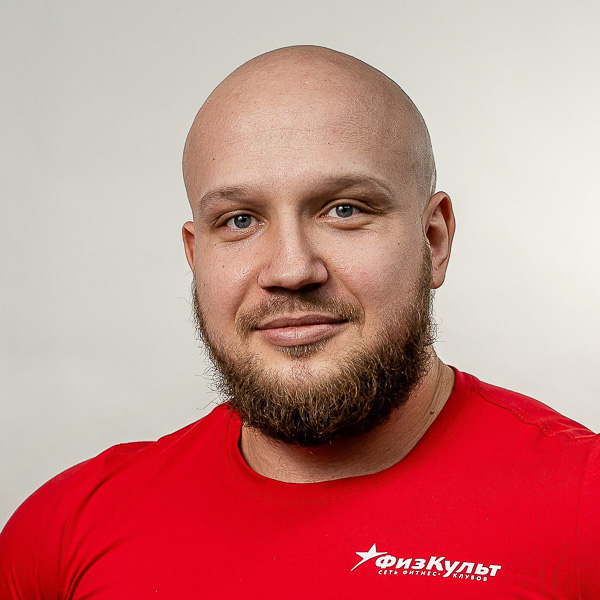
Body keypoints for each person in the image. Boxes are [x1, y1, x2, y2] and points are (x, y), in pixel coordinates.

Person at [0, 45, 598, 599]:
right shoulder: (66, 528)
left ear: (434, 240)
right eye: (239, 220)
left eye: (344, 209)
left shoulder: (582, 506)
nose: (291, 269)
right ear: (195, 256)